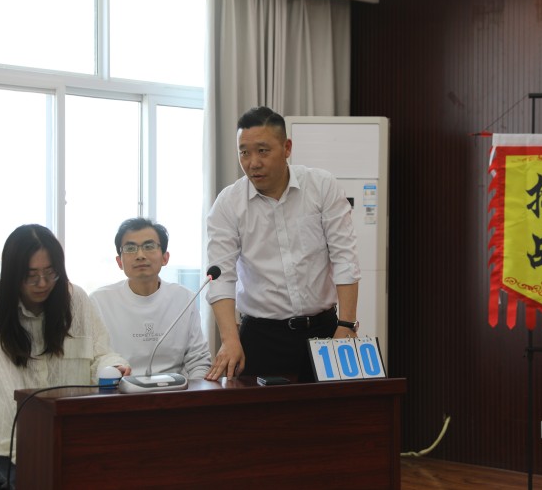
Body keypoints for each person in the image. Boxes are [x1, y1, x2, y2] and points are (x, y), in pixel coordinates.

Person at [0, 224, 130, 489]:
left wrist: (113, 366)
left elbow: (100, 354)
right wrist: (50, 442)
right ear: (13, 274)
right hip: (7, 443)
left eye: (50, 272)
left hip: (71, 437)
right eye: (31, 275)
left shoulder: (76, 300)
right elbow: (3, 394)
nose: (43, 283)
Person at [204, 106, 361, 383]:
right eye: (244, 152)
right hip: (261, 336)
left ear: (287, 148)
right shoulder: (228, 203)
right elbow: (221, 277)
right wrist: (229, 339)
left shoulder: (321, 186)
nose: (253, 162)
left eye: (263, 151)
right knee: (260, 411)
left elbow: (344, 258)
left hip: (324, 330)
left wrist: (346, 325)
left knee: (335, 409)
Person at [90, 217, 211, 379]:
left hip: (175, 390)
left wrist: (194, 391)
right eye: (130, 248)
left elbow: (199, 361)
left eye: (149, 246)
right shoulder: (99, 301)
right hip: (120, 389)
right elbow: (95, 360)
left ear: (165, 257)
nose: (140, 255)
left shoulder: (184, 298)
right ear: (119, 261)